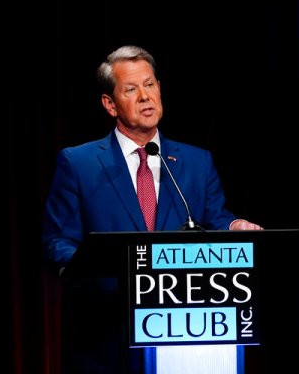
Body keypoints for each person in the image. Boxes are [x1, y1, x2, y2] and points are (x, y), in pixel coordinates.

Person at [41, 45, 263, 374]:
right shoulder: (79, 163)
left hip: (185, 336)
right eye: (131, 89)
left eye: (150, 84)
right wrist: (97, 269)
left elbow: (217, 220)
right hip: (106, 338)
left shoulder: (196, 162)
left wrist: (235, 228)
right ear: (110, 104)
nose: (145, 96)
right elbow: (56, 241)